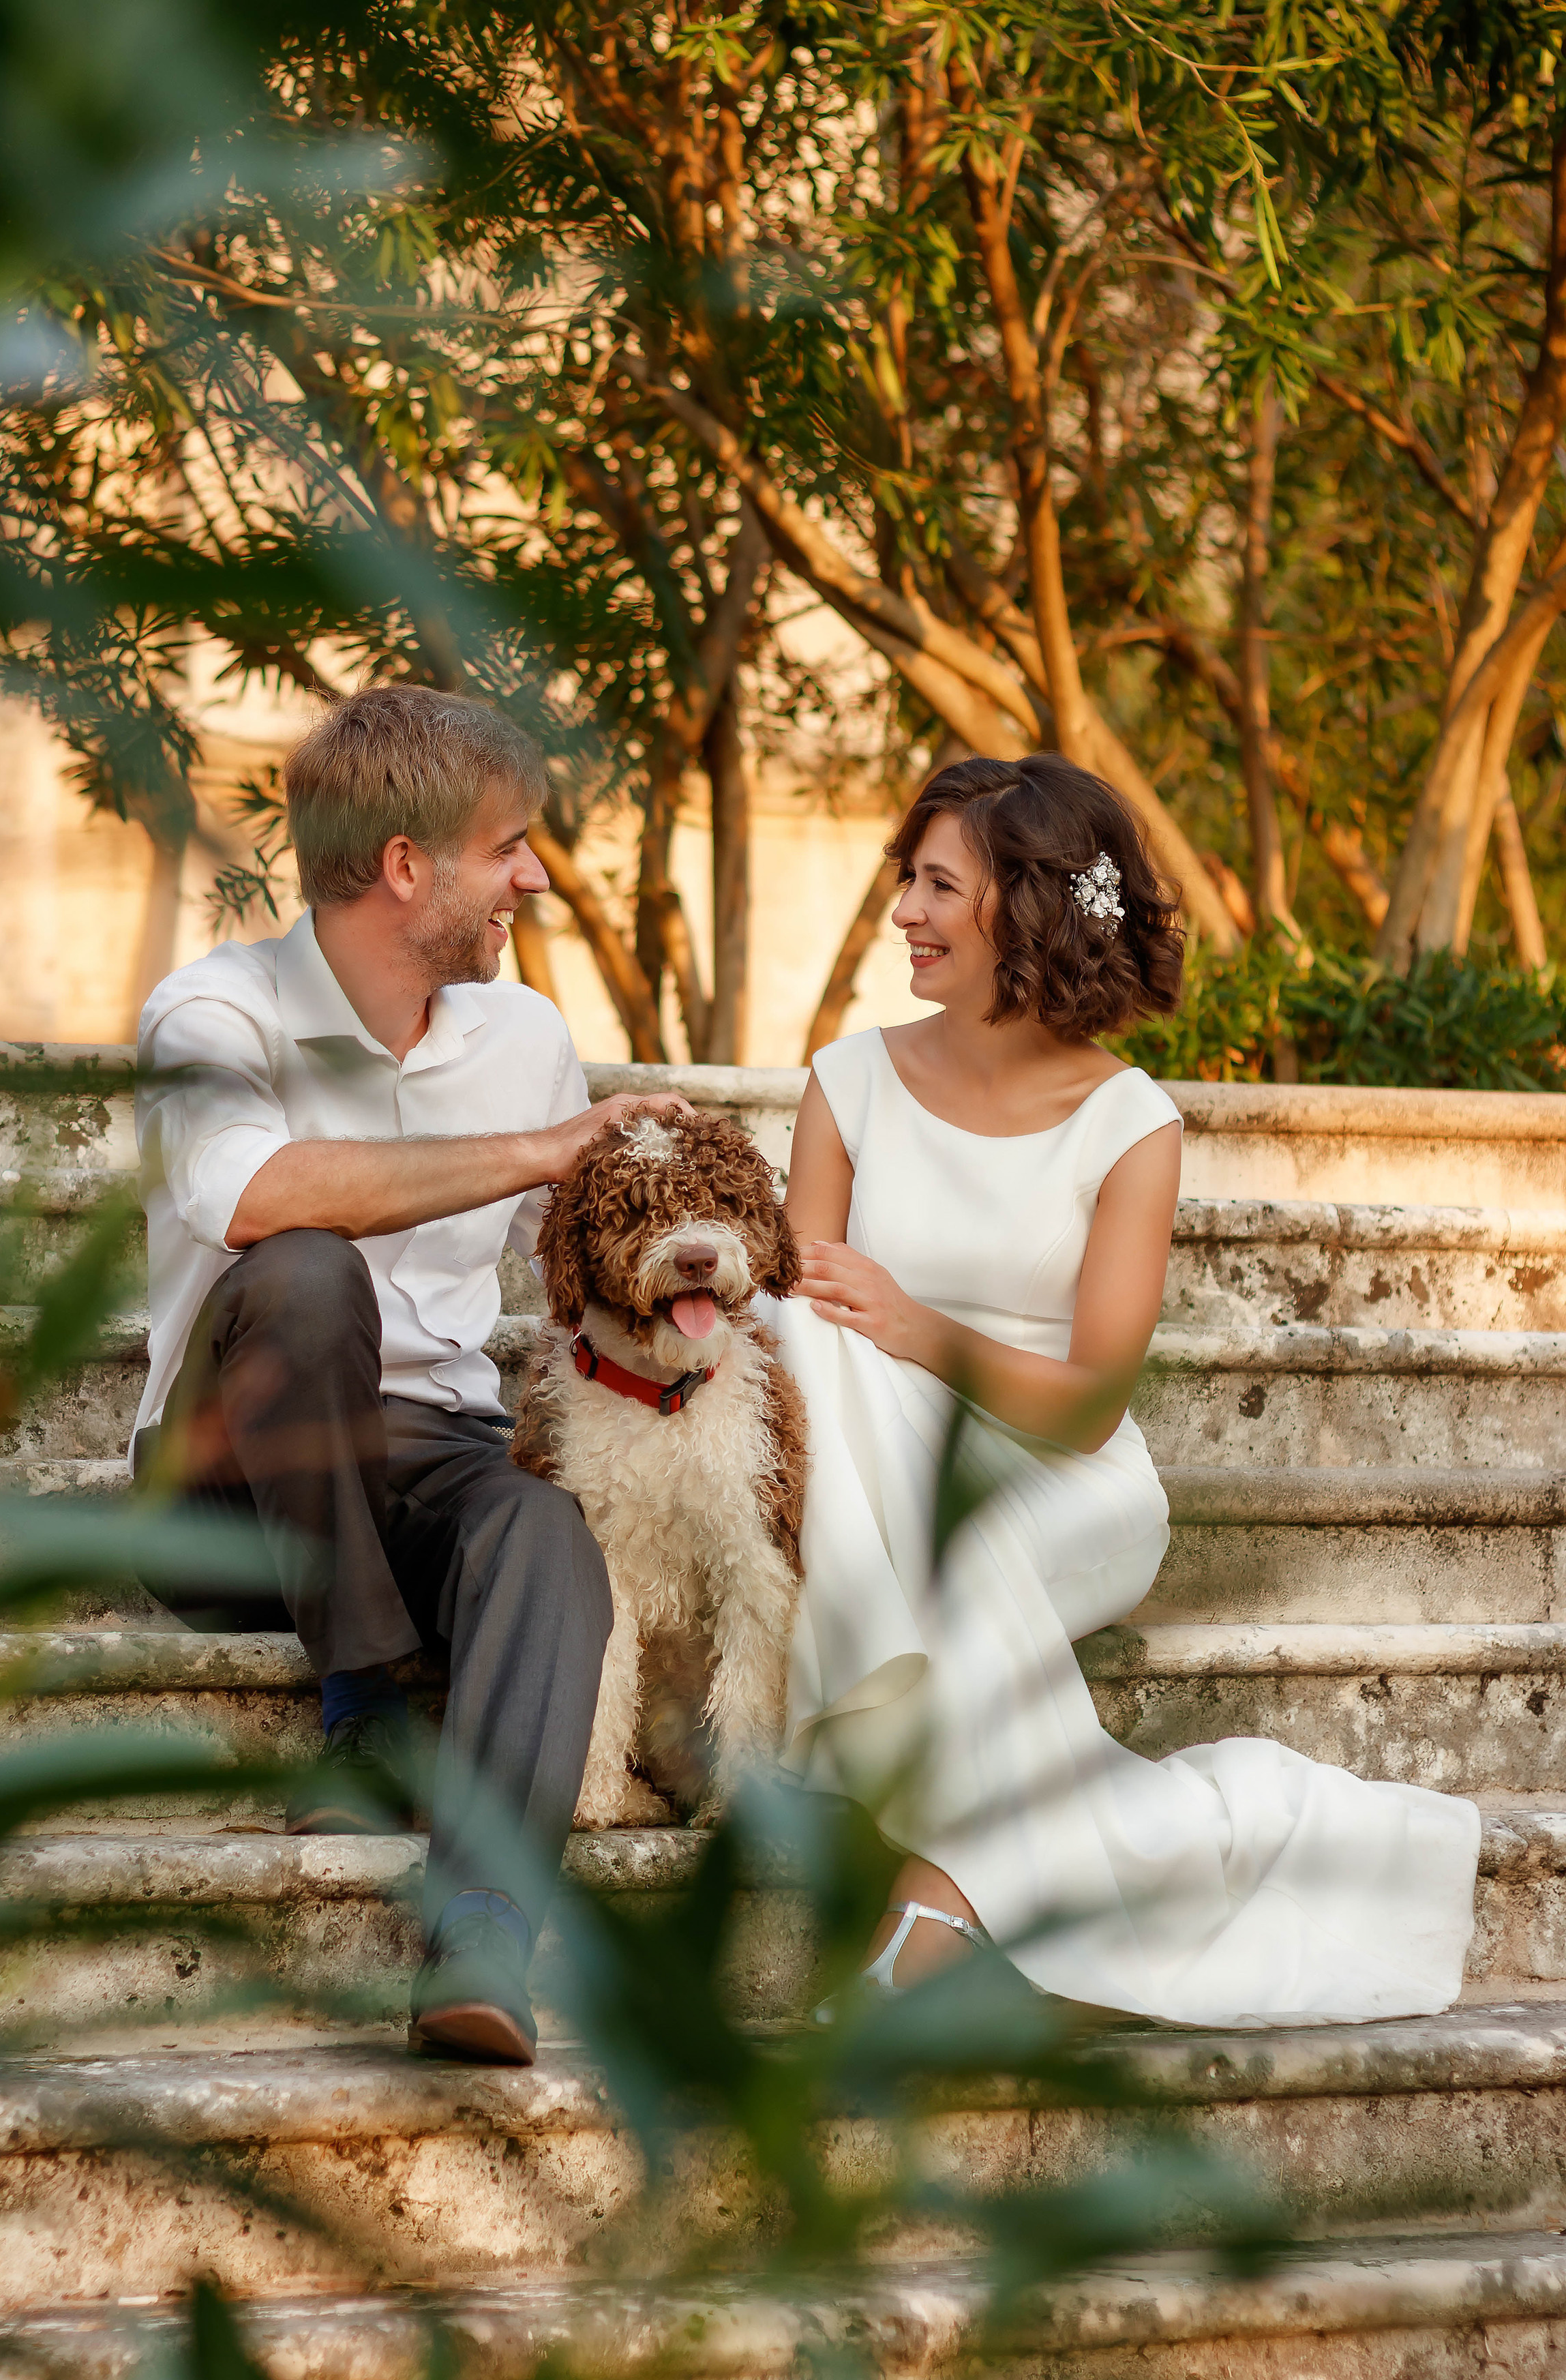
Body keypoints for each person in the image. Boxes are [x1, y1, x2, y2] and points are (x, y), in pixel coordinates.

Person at [768, 753, 1480, 2029]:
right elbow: (796, 1317)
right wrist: (879, 1337)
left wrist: (919, 1328)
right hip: (874, 1458)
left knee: (904, 1478)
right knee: (800, 1333)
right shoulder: (849, 1079)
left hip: (1061, 1478)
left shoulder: (1128, 1123)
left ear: (1028, 907)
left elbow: (1092, 1400)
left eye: (939, 886)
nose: (905, 913)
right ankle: (948, 1903)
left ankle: (939, 1883)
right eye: (906, 880)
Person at [129, 683, 684, 2070]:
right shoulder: (213, 1012)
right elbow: (250, 1195)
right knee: (309, 1271)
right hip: (229, 1485)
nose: (532, 878)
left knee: (542, 1530)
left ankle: (483, 1933)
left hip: (428, 1455)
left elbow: (585, 1262)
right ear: (402, 867)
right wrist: (536, 1151)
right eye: (507, 848)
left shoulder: (523, 1035)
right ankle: (366, 1705)